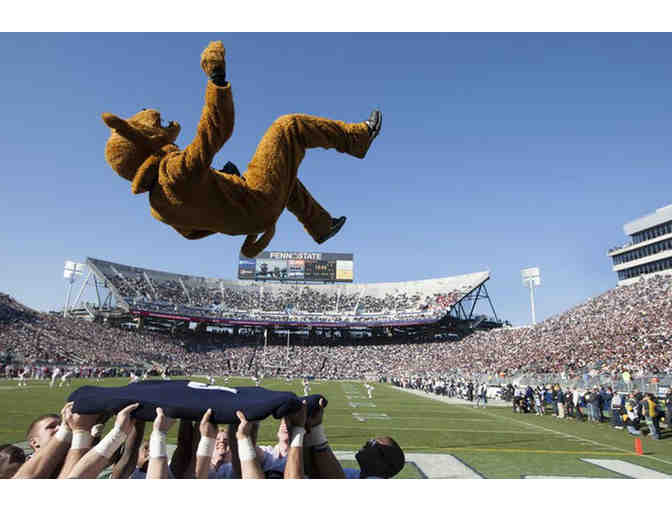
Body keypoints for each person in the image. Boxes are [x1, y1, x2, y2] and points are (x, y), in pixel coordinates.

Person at [101, 41, 382, 258]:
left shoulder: (158, 207)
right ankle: (356, 139)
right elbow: (215, 132)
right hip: (255, 204)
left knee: (282, 174)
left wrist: (224, 189)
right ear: (141, 142)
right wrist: (217, 81)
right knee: (288, 127)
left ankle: (321, 225)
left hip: (249, 214)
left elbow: (194, 231)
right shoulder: (172, 171)